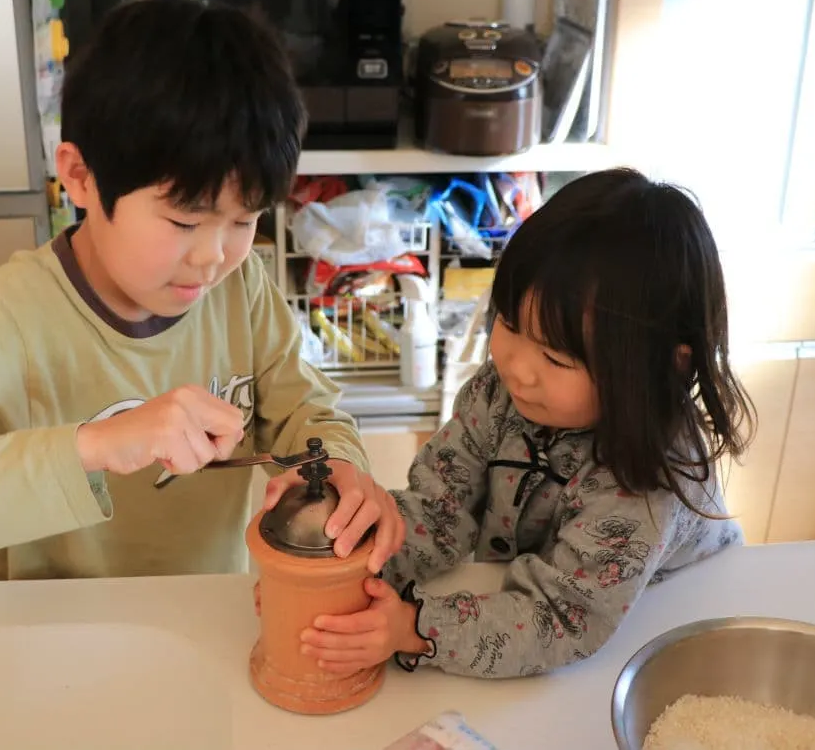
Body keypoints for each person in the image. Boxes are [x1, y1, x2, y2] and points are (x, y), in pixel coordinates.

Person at [0, 0, 403, 580]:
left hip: (205, 613)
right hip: (57, 637)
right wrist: (96, 445)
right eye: (184, 221)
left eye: (243, 219)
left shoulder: (243, 288)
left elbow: (306, 412)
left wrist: (336, 462)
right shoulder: (12, 314)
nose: (213, 258)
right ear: (80, 177)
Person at [295, 168, 753, 678]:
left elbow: (563, 617)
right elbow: (438, 511)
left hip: (676, 624)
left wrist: (415, 628)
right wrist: (347, 567)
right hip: (547, 608)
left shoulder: (650, 474)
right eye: (509, 324)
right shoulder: (499, 393)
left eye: (556, 360)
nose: (516, 366)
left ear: (662, 367)